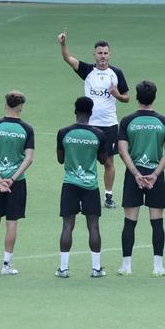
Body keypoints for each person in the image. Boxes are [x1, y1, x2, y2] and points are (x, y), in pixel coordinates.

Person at [58, 32, 129, 209]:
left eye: (105, 53)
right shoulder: (88, 71)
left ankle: (108, 196)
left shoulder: (116, 73)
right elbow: (68, 59)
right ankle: (82, 194)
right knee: (86, 160)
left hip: (110, 125)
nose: (102, 56)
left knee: (109, 162)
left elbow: (127, 98)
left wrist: (117, 95)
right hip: (89, 125)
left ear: (109, 54)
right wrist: (63, 44)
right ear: (94, 54)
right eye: (99, 53)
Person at [116, 81, 165, 277]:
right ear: (154, 98)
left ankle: (126, 266)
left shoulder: (126, 121)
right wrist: (155, 174)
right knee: (157, 222)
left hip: (134, 176)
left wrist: (136, 174)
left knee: (129, 221)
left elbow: (123, 150)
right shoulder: (164, 122)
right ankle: (158, 266)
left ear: (137, 97)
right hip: (155, 177)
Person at [55, 97, 108, 278]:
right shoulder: (99, 134)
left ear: (75, 111)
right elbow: (103, 160)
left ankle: (63, 268)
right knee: (93, 226)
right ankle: (96, 268)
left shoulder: (63, 133)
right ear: (91, 113)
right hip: (90, 185)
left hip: (70, 184)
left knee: (67, 225)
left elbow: (60, 159)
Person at [0, 91, 34, 275]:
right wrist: (11, 179)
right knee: (12, 222)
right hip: (17, 182)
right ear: (21, 107)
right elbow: (28, 159)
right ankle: (6, 265)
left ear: (6, 105)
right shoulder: (27, 129)